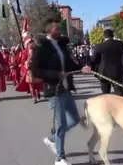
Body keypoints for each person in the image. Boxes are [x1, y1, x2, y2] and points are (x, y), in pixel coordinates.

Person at [31, 19, 85, 165]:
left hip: (66, 88)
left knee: (75, 119)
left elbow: (68, 63)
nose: (60, 30)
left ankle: (53, 139)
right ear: (49, 30)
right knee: (60, 124)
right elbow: (35, 70)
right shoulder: (41, 47)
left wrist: (81, 68)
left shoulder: (61, 43)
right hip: (53, 90)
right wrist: (55, 74)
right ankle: (60, 158)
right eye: (56, 28)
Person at [91, 29, 123, 96]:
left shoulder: (99, 46)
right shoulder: (120, 44)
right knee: (119, 93)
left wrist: (93, 69)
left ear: (104, 36)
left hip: (104, 73)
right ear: (113, 35)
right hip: (117, 72)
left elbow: (93, 60)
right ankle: (121, 106)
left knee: (106, 94)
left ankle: (108, 105)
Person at [16, 38, 42, 103]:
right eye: (30, 43)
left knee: (38, 83)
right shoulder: (25, 52)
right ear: (27, 44)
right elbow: (22, 60)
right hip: (29, 70)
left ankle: (38, 92)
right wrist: (26, 62)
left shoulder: (37, 50)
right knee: (31, 84)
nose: (31, 44)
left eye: (32, 42)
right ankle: (34, 97)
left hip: (36, 69)